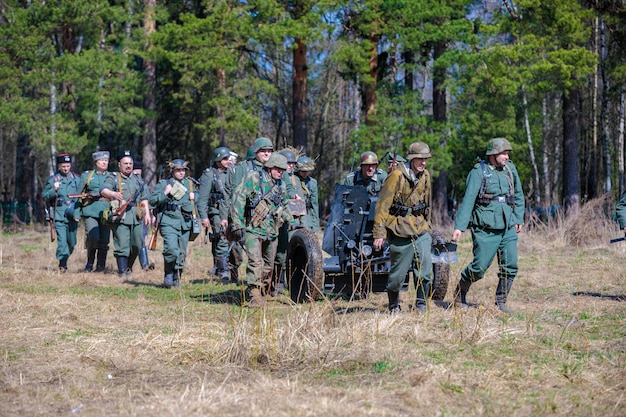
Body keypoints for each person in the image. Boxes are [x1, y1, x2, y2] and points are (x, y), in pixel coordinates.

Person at [451, 138, 525, 313]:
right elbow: (468, 200)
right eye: (504, 153)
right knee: (479, 267)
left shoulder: (510, 169)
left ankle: (501, 302)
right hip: (486, 227)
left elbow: (519, 195)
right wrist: (459, 227)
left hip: (508, 224)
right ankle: (460, 290)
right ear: (493, 154)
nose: (507, 156)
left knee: (511, 265)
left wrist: (518, 218)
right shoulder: (479, 172)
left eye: (508, 153)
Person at [373, 142, 433, 313]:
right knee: (398, 275)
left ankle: (421, 303)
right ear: (412, 159)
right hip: (399, 229)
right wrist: (379, 233)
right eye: (420, 159)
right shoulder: (396, 175)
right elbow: (382, 205)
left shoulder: (425, 175)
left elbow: (428, 202)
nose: (423, 163)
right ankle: (393, 305)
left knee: (426, 270)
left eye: (426, 159)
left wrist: (429, 225)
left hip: (420, 229)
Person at [230, 153, 293, 307]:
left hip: (272, 231)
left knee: (268, 265)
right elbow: (238, 198)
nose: (281, 172)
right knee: (255, 262)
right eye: (278, 169)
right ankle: (254, 294)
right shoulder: (253, 178)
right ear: (270, 167)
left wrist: (289, 216)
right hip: (253, 228)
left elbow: (284, 206)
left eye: (283, 170)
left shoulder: (281, 186)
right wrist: (237, 224)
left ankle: (262, 290)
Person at [219, 137, 274, 282]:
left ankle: (264, 285)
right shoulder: (243, 168)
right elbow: (236, 194)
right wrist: (236, 221)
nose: (267, 154)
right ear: (256, 152)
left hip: (270, 221)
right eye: (263, 151)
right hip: (249, 219)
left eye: (269, 151)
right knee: (247, 254)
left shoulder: (274, 168)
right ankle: (243, 281)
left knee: (269, 260)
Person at [100, 151, 151, 279]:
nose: (128, 166)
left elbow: (144, 198)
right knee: (122, 245)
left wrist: (148, 214)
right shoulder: (114, 178)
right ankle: (122, 272)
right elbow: (103, 190)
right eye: (125, 163)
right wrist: (113, 194)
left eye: (130, 163)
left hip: (137, 215)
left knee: (137, 244)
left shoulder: (138, 180)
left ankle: (129, 266)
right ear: (119, 165)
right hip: (121, 216)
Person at [149, 159, 197, 288]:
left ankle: (177, 278)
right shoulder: (165, 184)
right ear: (172, 171)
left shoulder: (190, 184)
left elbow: (200, 198)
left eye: (183, 170)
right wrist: (165, 193)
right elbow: (152, 201)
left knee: (182, 253)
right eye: (178, 170)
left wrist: (194, 197)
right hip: (168, 220)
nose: (181, 173)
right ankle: (168, 273)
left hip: (185, 222)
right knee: (171, 249)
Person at [197, 146, 233, 282]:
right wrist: (204, 216)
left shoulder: (231, 172)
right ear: (218, 160)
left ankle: (219, 266)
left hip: (230, 211)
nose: (227, 161)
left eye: (228, 158)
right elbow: (202, 198)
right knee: (222, 238)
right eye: (224, 159)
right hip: (216, 212)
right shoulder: (209, 175)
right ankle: (224, 271)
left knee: (220, 239)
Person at [74, 151, 112, 272]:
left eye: (106, 160)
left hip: (106, 211)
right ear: (96, 162)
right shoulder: (87, 175)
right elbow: (78, 194)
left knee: (104, 240)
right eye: (102, 160)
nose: (104, 162)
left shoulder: (112, 176)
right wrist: (76, 213)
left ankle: (101, 266)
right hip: (90, 210)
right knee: (93, 236)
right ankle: (90, 263)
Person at [42, 154, 80, 271]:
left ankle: (64, 260)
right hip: (58, 215)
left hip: (72, 214)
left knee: (72, 243)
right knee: (62, 242)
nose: (65, 168)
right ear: (59, 166)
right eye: (63, 166)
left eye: (68, 166)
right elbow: (44, 196)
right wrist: (54, 190)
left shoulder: (76, 179)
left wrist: (78, 213)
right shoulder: (53, 180)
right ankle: (63, 265)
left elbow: (80, 198)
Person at [132, 161, 155, 271]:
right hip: (130, 213)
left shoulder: (143, 183)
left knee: (141, 239)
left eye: (138, 170)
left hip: (142, 214)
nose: (137, 172)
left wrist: (150, 214)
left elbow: (147, 199)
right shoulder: (131, 181)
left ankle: (145, 265)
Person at [294, 155, 320, 232]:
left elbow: (314, 205)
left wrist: (315, 226)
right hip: (293, 215)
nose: (305, 173)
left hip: (307, 215)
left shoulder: (312, 183)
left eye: (307, 171)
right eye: (303, 171)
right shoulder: (292, 180)